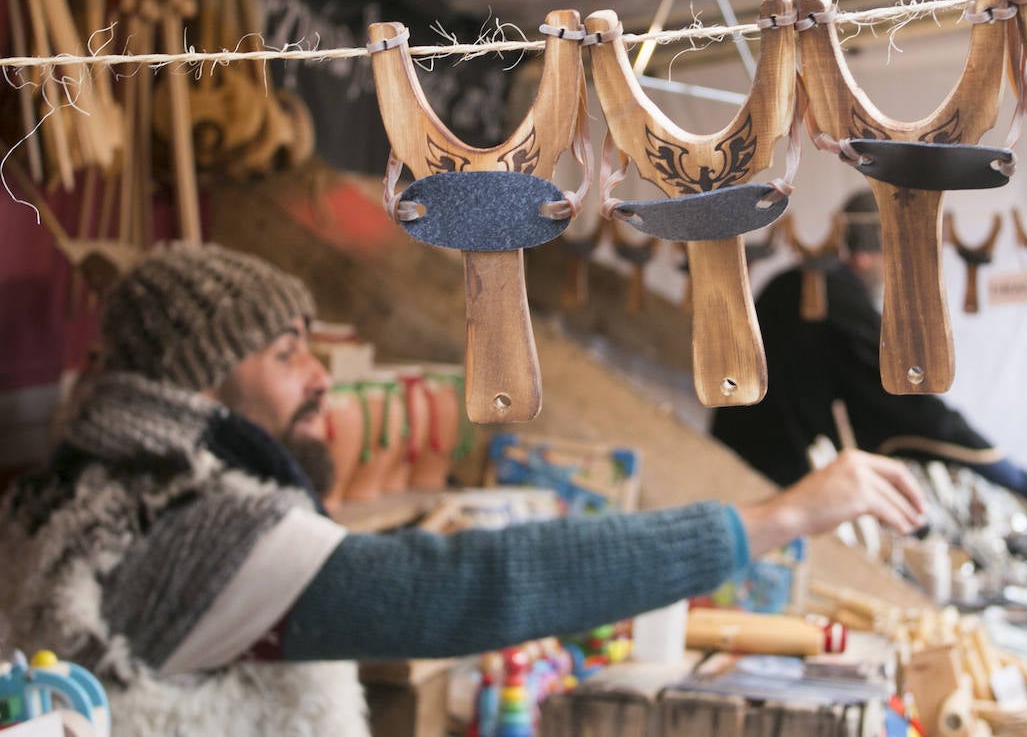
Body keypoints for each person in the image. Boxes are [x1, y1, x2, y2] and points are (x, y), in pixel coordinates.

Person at [0, 243, 925, 736]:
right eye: (285, 357)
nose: (322, 380)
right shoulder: (183, 526)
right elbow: (464, 585)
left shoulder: (86, 492)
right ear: (197, 388)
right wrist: (774, 520)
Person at [712, 189, 1027, 511]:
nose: (894, 271)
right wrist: (1024, 481)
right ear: (866, 255)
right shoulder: (832, 295)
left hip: (737, 458)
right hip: (764, 477)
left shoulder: (792, 282)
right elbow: (910, 403)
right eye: (892, 257)